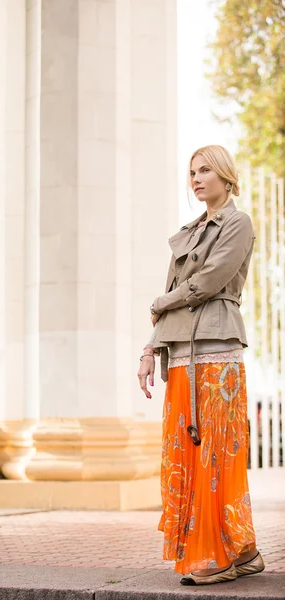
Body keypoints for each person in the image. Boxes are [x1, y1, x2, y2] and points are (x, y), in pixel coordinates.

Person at [137, 145, 265, 586]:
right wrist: (150, 349)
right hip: (182, 353)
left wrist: (161, 302)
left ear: (225, 174)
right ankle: (243, 551)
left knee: (217, 454)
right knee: (186, 453)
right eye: (191, 171)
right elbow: (170, 301)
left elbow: (207, 282)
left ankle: (219, 554)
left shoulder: (237, 222)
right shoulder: (189, 230)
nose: (196, 178)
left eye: (205, 169)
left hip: (217, 346)